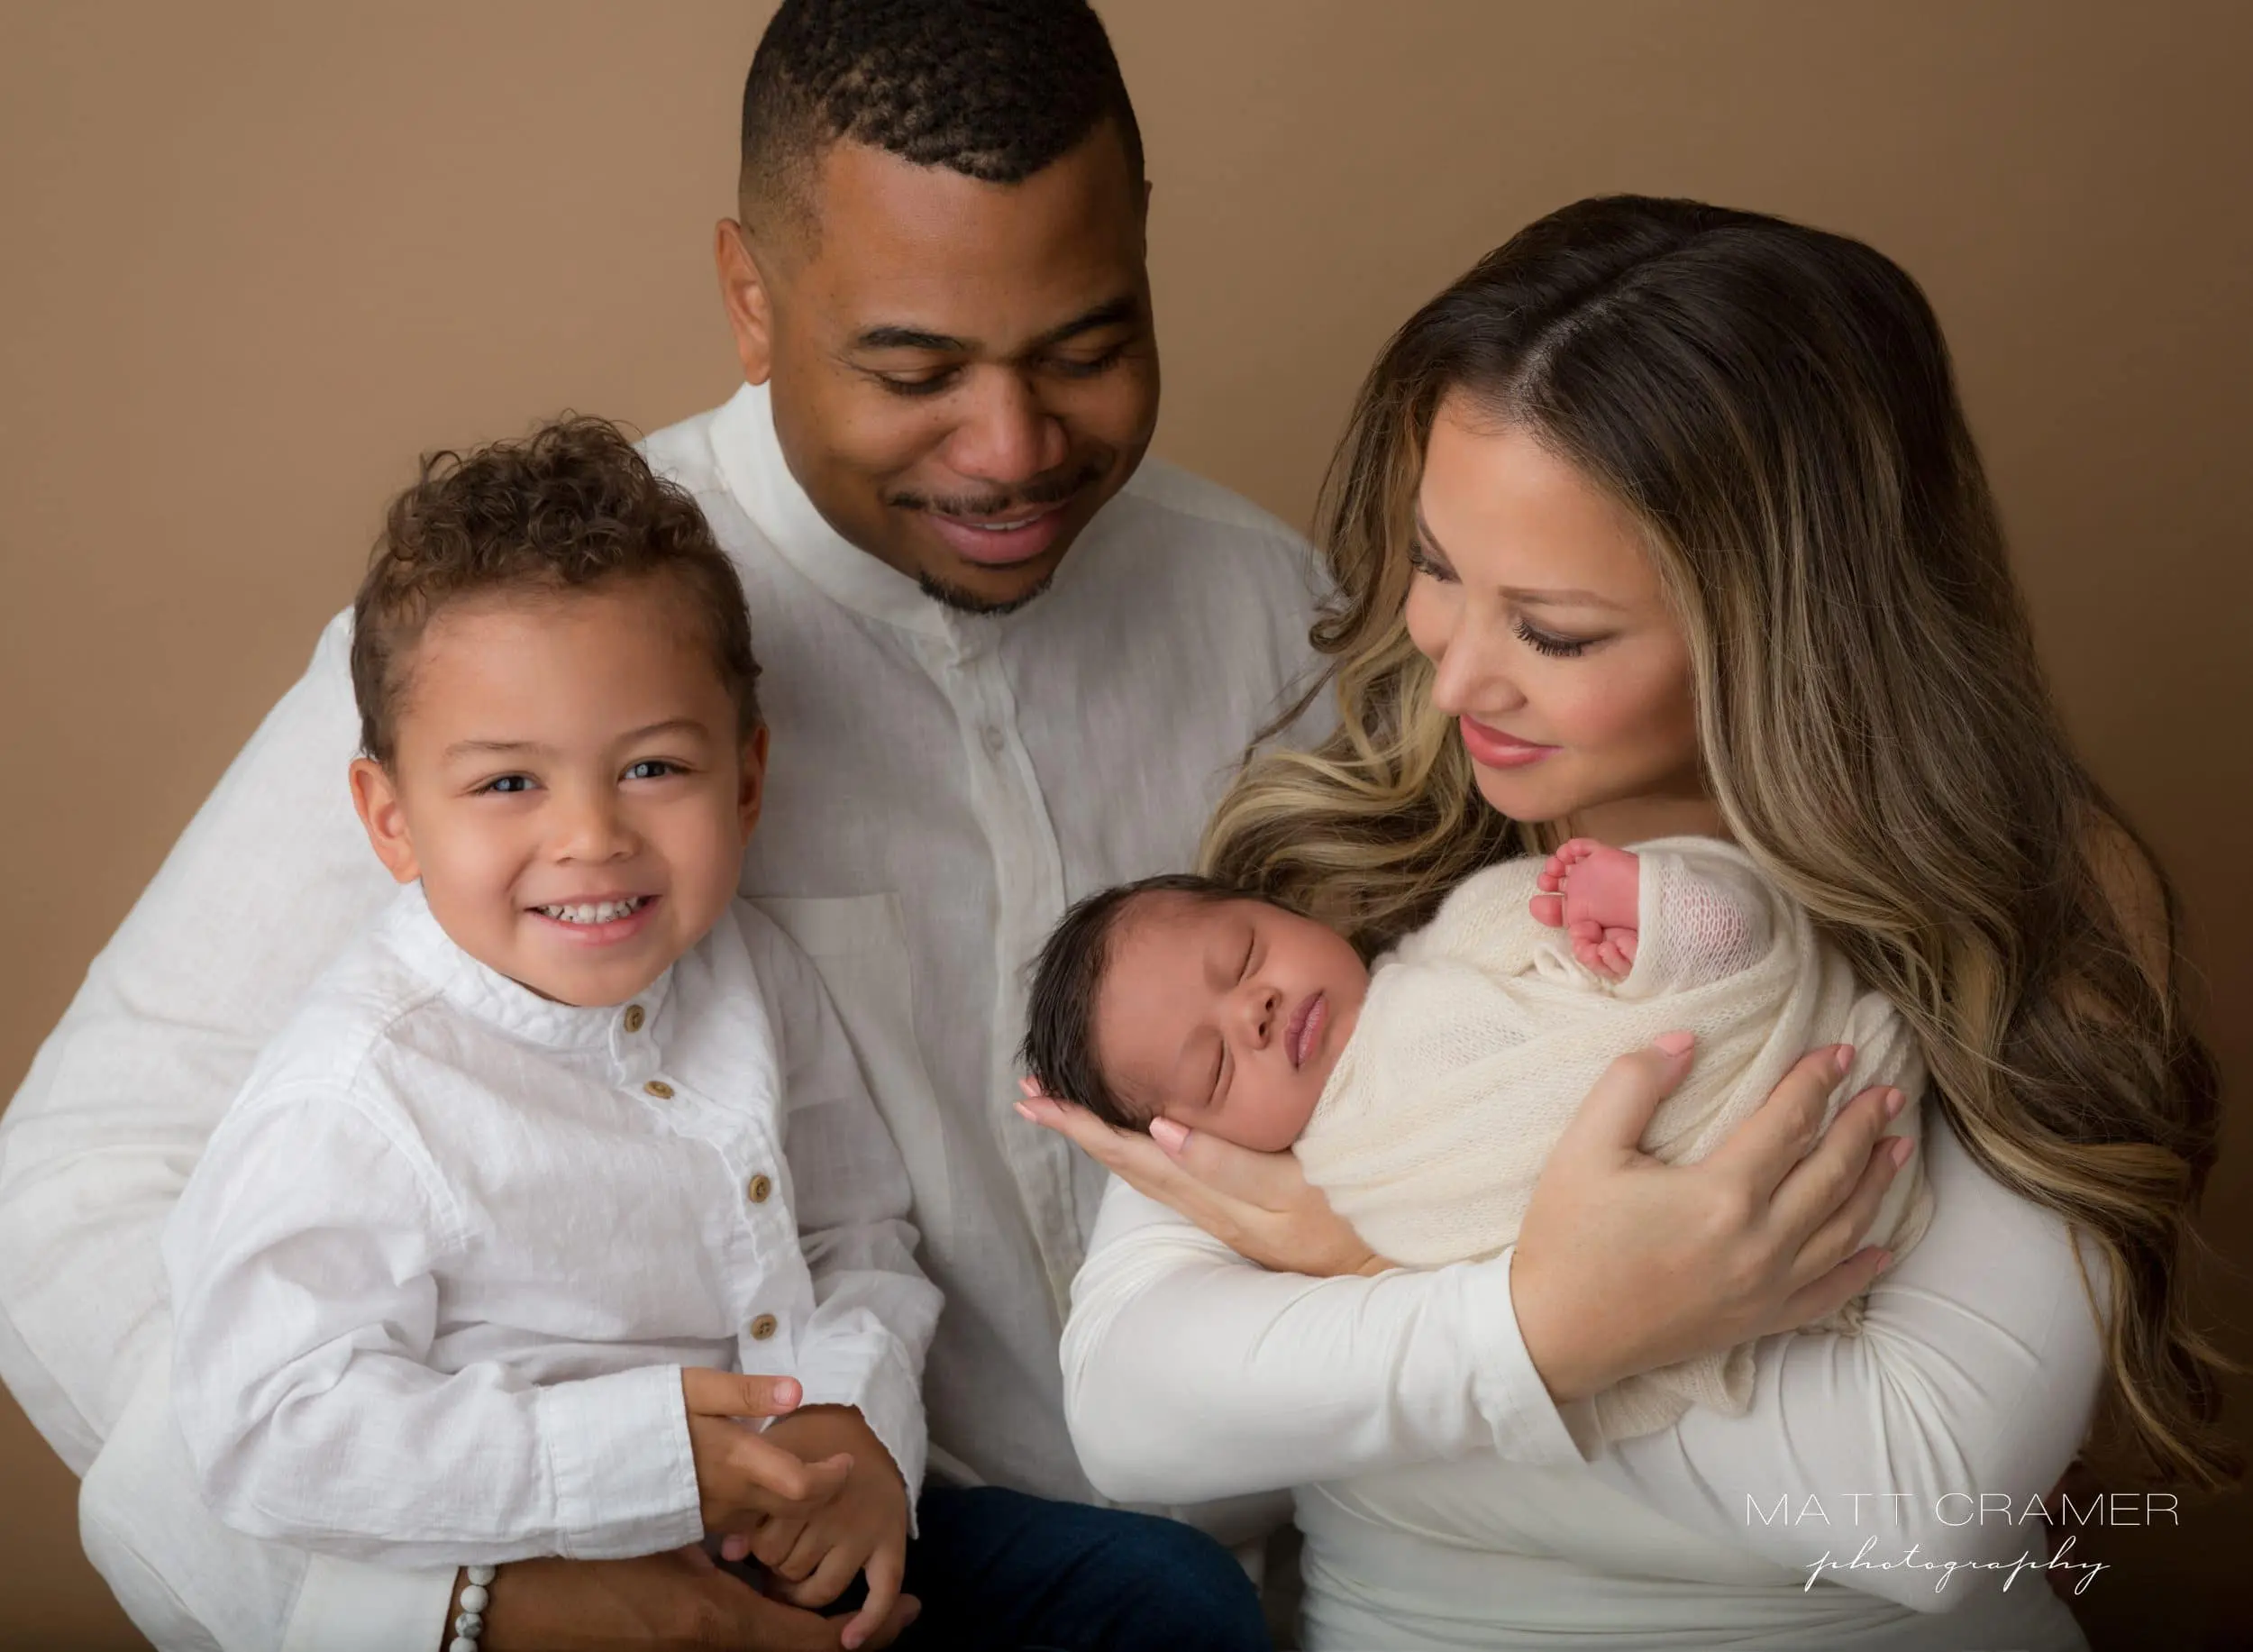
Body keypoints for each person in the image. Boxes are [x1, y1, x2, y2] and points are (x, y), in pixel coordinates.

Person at [4, 4, 1305, 1647]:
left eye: (1085, 348)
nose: (1013, 449)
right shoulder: (529, 658)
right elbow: (78, 1183)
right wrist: (480, 1604)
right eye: (913, 369)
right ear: (751, 303)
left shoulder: (1266, 611)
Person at [1031, 196, 2232, 1649]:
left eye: (1555, 632)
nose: (1459, 677)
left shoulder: (2027, 903)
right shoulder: (1339, 874)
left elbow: (1918, 1511)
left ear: (1788, 634)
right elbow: (1137, 1404)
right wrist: (1548, 1322)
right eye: (1436, 566)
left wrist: (1373, 1269)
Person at [164, 419, 942, 1652]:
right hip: (570, 1579)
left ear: (746, 780)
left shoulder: (751, 971)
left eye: (651, 768)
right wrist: (637, 1461)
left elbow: (858, 1230)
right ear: (392, 819)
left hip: (812, 1518)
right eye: (508, 783)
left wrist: (856, 1423)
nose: (591, 837)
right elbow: (271, 1429)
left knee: (1150, 1588)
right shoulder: (360, 1092)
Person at [1018, 835, 1933, 1443]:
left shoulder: (1467, 930)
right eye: (1214, 1068)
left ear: (1287, 909)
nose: (1252, 1011)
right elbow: (1481, 1273)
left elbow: (1595, 947)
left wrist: (1641, 918)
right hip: (1735, 1254)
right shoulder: (1340, 1184)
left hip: (1792, 1090)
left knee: (1700, 935)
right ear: (1191, 1135)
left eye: (1246, 956)